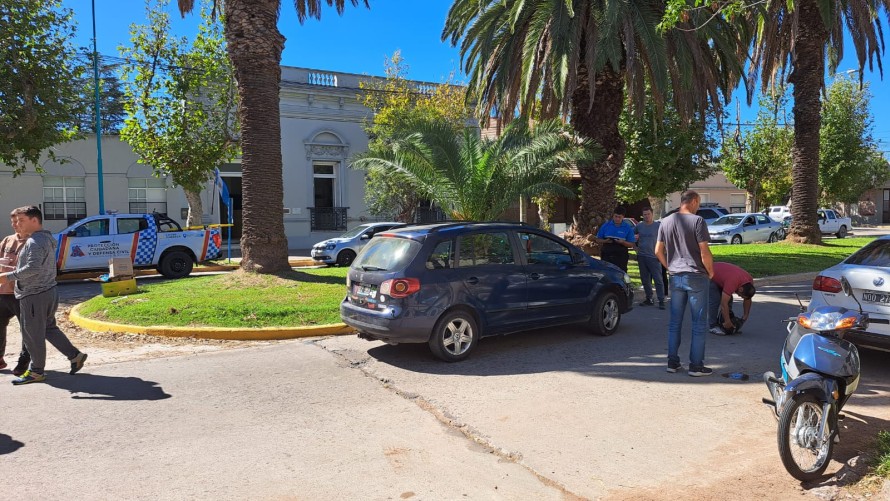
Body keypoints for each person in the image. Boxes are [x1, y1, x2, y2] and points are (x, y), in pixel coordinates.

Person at [0, 206, 87, 385]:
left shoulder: (34, 242)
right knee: (48, 328)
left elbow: (33, 268)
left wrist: (6, 277)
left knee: (33, 335)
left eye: (21, 221)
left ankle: (37, 371)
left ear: (34, 220)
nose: (17, 224)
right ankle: (75, 356)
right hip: (48, 291)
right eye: (15, 221)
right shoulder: (44, 238)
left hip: (34, 295)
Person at [654, 191, 715, 377]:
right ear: (694, 201)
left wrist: (669, 267)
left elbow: (657, 250)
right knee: (698, 324)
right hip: (696, 275)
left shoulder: (665, 221)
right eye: (698, 204)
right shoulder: (698, 221)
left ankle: (672, 362)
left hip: (675, 275)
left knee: (675, 323)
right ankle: (696, 366)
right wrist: (711, 272)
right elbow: (704, 251)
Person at [708, 262, 755, 336]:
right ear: (740, 289)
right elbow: (724, 304)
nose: (740, 297)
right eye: (741, 296)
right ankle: (712, 326)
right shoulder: (732, 282)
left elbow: (748, 299)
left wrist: (745, 316)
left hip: (723, 275)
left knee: (729, 298)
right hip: (710, 274)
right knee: (715, 300)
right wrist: (727, 322)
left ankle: (724, 321)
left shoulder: (749, 282)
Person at [634, 207, 665, 310]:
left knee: (658, 279)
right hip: (642, 256)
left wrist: (661, 253)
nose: (646, 216)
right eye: (645, 215)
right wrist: (635, 248)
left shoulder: (658, 225)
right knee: (645, 280)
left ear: (652, 214)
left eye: (648, 214)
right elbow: (630, 236)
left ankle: (661, 300)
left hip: (654, 257)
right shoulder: (639, 226)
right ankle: (649, 298)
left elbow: (665, 240)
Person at [595, 206, 636, 272]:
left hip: (621, 255)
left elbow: (631, 244)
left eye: (619, 217)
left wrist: (623, 242)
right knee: (606, 273)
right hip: (607, 254)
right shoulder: (606, 225)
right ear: (613, 215)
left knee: (621, 273)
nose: (617, 219)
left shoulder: (627, 228)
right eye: (615, 216)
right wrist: (605, 241)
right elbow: (598, 239)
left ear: (623, 217)